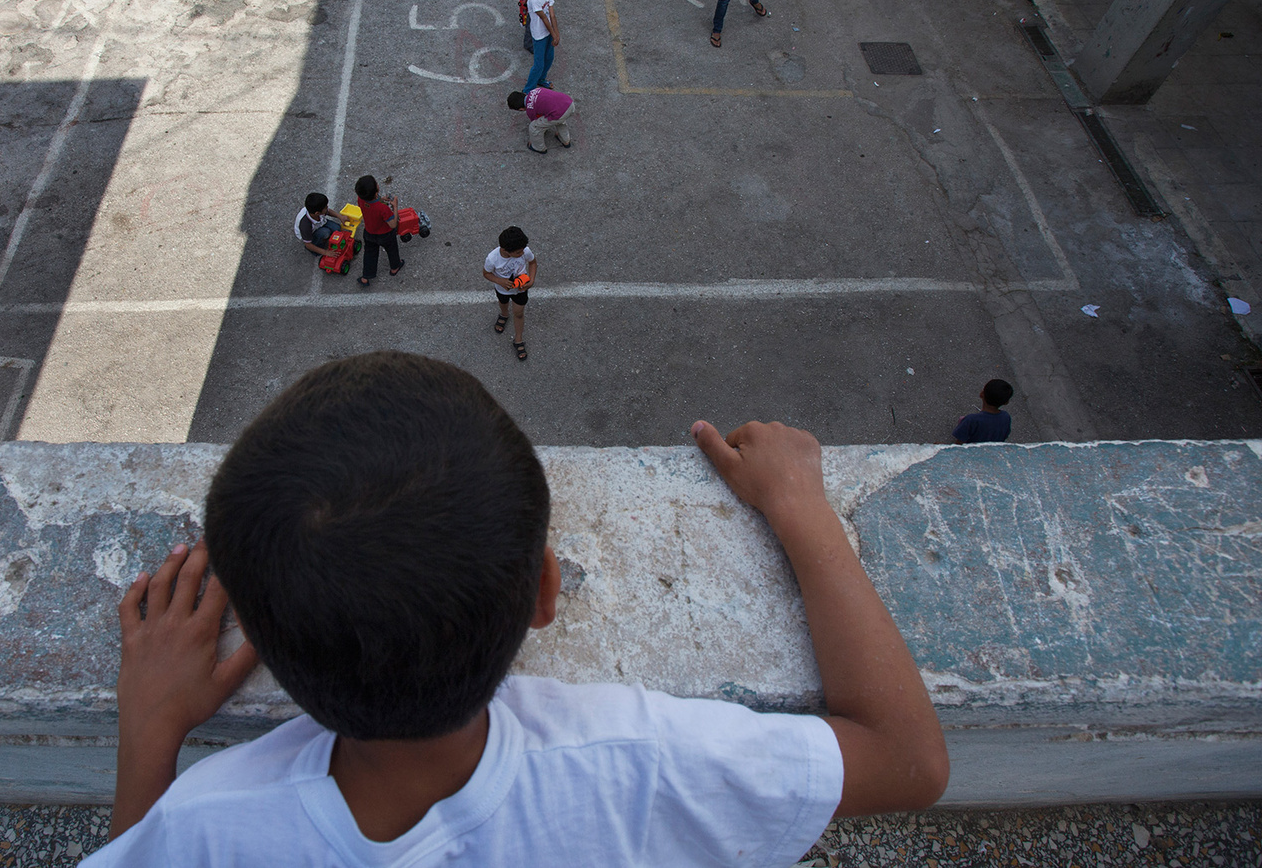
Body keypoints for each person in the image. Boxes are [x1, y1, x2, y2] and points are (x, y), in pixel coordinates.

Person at [85, 352, 949, 866]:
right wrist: (802, 508)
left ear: (260, 642)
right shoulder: (640, 762)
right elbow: (908, 760)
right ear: (545, 590)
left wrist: (150, 730)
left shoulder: (207, 823)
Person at [483, 227, 536, 360]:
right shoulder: (492, 259)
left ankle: (518, 339)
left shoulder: (524, 250)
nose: (522, 253)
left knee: (519, 313)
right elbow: (486, 274)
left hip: (521, 289)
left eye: (522, 250)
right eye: (518, 252)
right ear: (505, 250)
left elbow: (532, 262)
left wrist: (531, 280)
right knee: (503, 303)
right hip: (502, 290)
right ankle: (504, 314)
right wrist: (500, 281)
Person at [353, 174, 401, 286]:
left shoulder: (360, 199)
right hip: (385, 235)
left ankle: (366, 277)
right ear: (376, 190)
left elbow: (370, 203)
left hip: (369, 233)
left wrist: (380, 199)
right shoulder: (383, 208)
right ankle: (395, 267)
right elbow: (393, 224)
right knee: (392, 250)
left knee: (369, 254)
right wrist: (395, 206)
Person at [522, 0, 558, 93]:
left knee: (549, 58)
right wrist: (554, 34)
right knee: (539, 64)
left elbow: (552, 15)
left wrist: (556, 34)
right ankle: (528, 90)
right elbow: (544, 18)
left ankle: (541, 79)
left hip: (548, 32)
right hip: (539, 35)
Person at [506, 87, 573, 153]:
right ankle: (565, 140)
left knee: (534, 127)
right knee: (559, 119)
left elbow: (536, 121)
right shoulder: (534, 90)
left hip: (560, 114)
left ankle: (539, 148)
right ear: (523, 94)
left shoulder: (530, 109)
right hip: (568, 103)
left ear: (521, 109)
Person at [952, 379, 1014, 444]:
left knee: (963, 421)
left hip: (973, 448)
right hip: (993, 448)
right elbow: (1005, 435)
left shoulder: (971, 420)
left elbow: (959, 443)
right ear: (1006, 402)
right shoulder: (1006, 416)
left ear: (981, 394)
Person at [293, 192, 342, 259]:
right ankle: (315, 249)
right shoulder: (305, 225)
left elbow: (328, 211)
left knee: (337, 228)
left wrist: (340, 216)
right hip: (310, 232)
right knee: (326, 232)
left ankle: (322, 236)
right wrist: (326, 252)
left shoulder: (315, 211)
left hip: (319, 223)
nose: (327, 207)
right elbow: (308, 244)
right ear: (317, 213)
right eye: (325, 207)